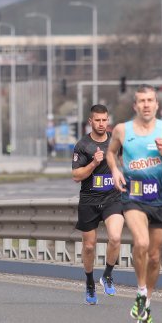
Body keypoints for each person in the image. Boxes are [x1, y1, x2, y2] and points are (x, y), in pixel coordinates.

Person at [108, 84, 162, 323]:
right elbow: (111, 152)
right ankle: (140, 291)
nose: (146, 105)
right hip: (133, 198)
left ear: (157, 104)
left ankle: (146, 303)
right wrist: (116, 170)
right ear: (135, 106)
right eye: (141, 101)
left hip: (160, 201)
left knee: (154, 256)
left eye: (150, 100)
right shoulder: (122, 130)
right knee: (140, 243)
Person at [71, 104, 124, 304]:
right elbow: (76, 176)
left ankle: (108, 275)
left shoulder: (115, 142)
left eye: (104, 120)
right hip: (89, 200)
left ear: (108, 120)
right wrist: (93, 163)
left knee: (116, 237)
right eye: (97, 120)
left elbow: (125, 163)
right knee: (90, 246)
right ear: (90, 122)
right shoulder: (82, 145)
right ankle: (89, 282)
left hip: (112, 198)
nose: (101, 124)